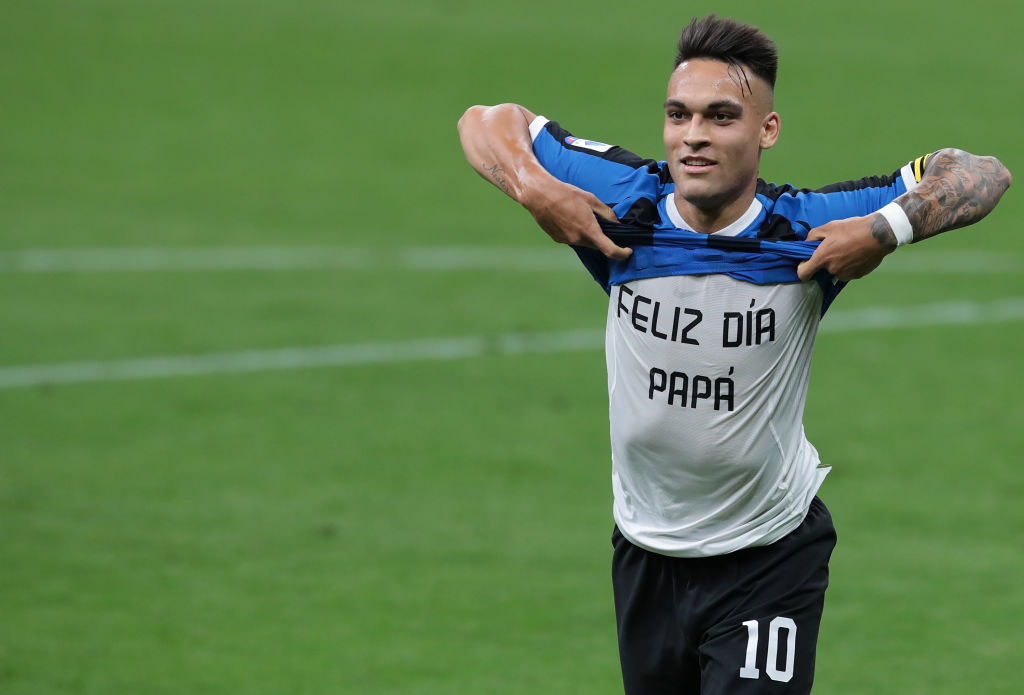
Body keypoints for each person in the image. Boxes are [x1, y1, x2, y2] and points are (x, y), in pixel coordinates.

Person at [457, 14, 1010, 695]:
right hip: (645, 552)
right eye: (679, 115)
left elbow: (982, 173)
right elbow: (487, 120)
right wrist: (534, 187)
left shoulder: (805, 230)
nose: (694, 135)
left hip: (768, 558)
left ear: (766, 130)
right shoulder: (624, 205)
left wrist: (884, 230)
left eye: (721, 117)